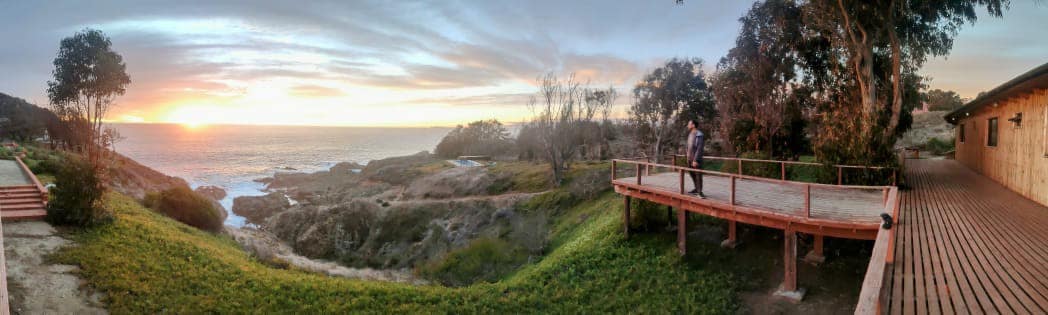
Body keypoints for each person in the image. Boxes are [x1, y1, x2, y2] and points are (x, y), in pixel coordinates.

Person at [686, 119, 705, 198]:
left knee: (698, 175)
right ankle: (696, 189)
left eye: (689, 124)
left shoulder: (699, 134)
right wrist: (687, 154)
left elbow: (699, 148)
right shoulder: (690, 134)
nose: (688, 125)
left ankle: (700, 192)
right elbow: (689, 146)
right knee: (692, 174)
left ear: (693, 125)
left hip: (696, 160)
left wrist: (695, 160)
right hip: (689, 159)